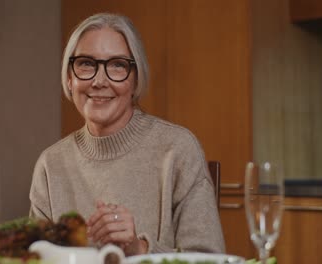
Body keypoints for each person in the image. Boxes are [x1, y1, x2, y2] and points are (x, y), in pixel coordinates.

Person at [29, 13, 225, 255]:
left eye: (117, 65)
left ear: (135, 80)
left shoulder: (178, 149)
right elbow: (35, 258)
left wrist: (138, 249)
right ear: (70, 79)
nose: (99, 81)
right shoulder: (51, 165)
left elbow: (210, 259)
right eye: (87, 64)